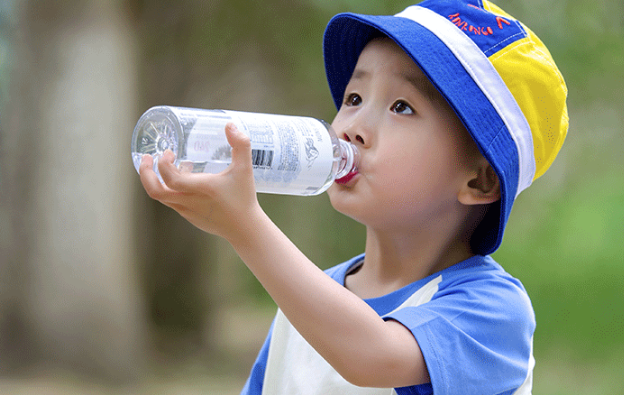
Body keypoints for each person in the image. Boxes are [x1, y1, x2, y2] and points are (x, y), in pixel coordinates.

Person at [138, 0, 568, 393]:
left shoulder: (492, 312)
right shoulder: (303, 297)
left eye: (402, 106)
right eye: (354, 97)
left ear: (480, 182)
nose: (349, 126)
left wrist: (245, 228)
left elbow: (374, 356)